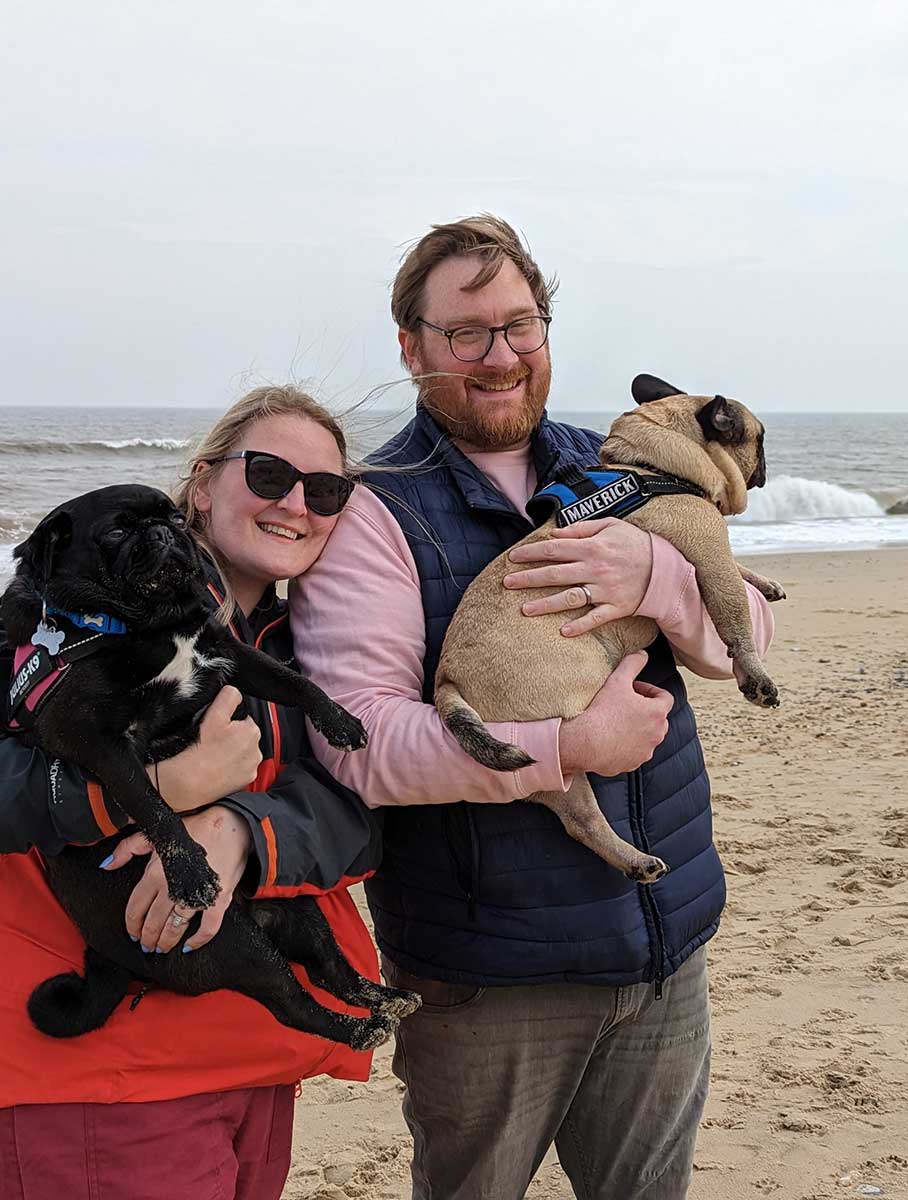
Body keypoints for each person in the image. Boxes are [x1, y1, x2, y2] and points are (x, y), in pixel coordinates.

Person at [290, 214, 777, 1199]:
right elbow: (363, 745)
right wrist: (567, 745)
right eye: (467, 332)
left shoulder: (617, 461)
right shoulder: (375, 508)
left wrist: (652, 574)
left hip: (662, 939)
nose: (500, 355)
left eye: (522, 326)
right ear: (413, 346)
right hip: (491, 977)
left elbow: (746, 648)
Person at [0, 386, 380, 1200]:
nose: (296, 503)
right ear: (203, 484)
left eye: (325, 490)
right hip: (87, 1077)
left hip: (252, 1056)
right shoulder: (54, 621)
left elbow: (369, 819)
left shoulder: (315, 653)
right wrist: (147, 790)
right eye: (269, 474)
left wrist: (242, 827)